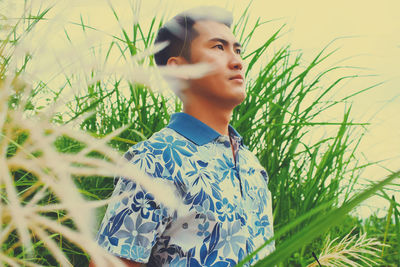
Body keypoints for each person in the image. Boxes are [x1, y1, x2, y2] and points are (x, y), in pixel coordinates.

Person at [91, 6, 274, 267]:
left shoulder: (254, 169)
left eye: (237, 49)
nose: (237, 61)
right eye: (218, 48)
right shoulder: (155, 159)